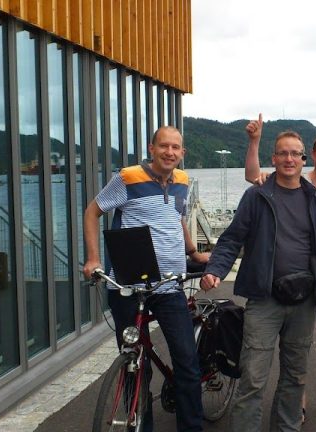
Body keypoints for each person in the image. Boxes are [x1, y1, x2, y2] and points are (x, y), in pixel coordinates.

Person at [201, 130, 316, 432]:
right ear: (274, 158)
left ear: (303, 159)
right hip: (264, 299)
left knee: (295, 376)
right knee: (253, 377)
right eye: (283, 153)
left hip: (304, 299)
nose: (289, 159)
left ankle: (287, 427)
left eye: (295, 153)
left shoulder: (314, 199)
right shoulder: (257, 196)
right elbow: (232, 238)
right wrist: (215, 269)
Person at [82, 126, 209, 432]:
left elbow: (177, 217)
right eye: (164, 146)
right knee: (134, 364)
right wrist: (93, 259)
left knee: (187, 362)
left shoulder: (182, 180)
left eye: (175, 147)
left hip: (168, 285)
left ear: (182, 153)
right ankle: (141, 426)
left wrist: (193, 251)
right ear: (152, 149)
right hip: (128, 285)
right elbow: (92, 212)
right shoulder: (128, 177)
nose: (169, 152)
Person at [243, 114, 316, 424]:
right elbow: (253, 176)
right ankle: (299, 404)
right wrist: (254, 141)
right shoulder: (297, 181)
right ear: (311, 157)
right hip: (293, 277)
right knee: (293, 349)